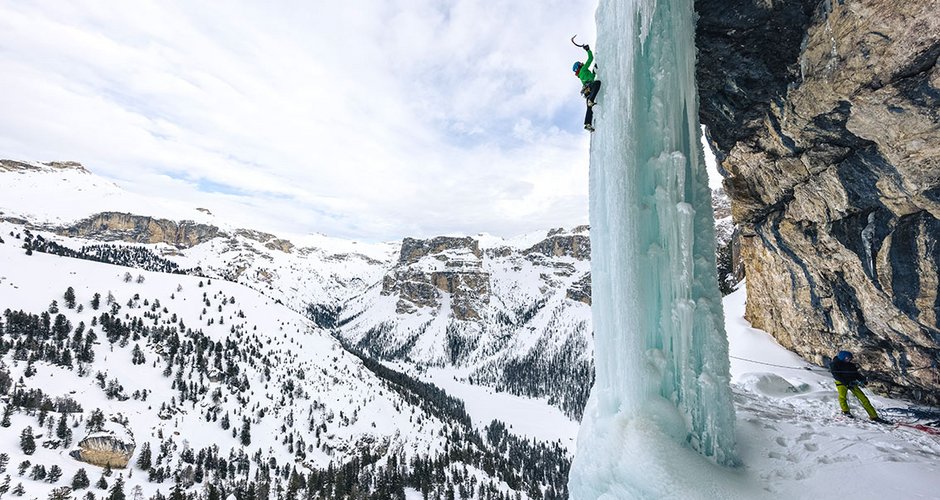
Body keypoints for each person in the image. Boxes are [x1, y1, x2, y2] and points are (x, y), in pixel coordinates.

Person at [829, 350, 884, 421]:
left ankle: (874, 416)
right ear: (842, 357)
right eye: (847, 358)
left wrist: (862, 379)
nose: (849, 359)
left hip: (851, 383)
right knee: (842, 397)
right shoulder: (835, 364)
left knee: (863, 398)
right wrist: (846, 383)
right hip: (841, 383)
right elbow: (836, 376)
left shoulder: (850, 365)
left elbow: (856, 374)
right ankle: (845, 411)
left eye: (849, 358)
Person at [572, 44, 601, 132]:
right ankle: (591, 100)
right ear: (579, 66)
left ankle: (588, 124)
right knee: (597, 83)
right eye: (580, 63)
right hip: (590, 88)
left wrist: (594, 70)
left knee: (589, 107)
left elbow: (591, 76)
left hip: (587, 91)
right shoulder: (583, 69)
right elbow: (590, 59)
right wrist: (588, 50)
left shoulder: (581, 75)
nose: (582, 63)